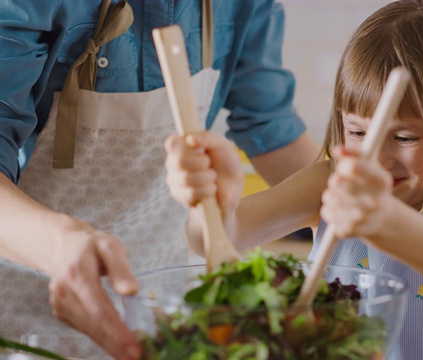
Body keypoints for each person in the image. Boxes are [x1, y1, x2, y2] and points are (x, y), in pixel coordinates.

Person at [165, 0, 423, 359]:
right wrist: (214, 205)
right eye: (356, 132)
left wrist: (384, 221)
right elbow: (214, 238)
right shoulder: (330, 183)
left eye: (404, 138)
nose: (376, 158)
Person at [0, 0, 318, 359]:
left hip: (162, 313)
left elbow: (272, 128)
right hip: (22, 308)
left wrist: (367, 197)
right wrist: (62, 246)